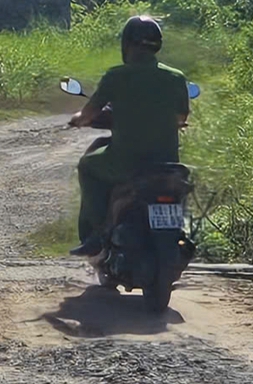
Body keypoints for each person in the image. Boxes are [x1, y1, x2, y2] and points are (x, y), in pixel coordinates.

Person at [66, 16, 191, 256]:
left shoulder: (116, 76)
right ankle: (179, 232)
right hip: (167, 163)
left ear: (127, 44)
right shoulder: (175, 77)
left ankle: (96, 234)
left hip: (126, 163)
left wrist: (78, 119)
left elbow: (90, 112)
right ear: (157, 45)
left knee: (87, 166)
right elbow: (181, 118)